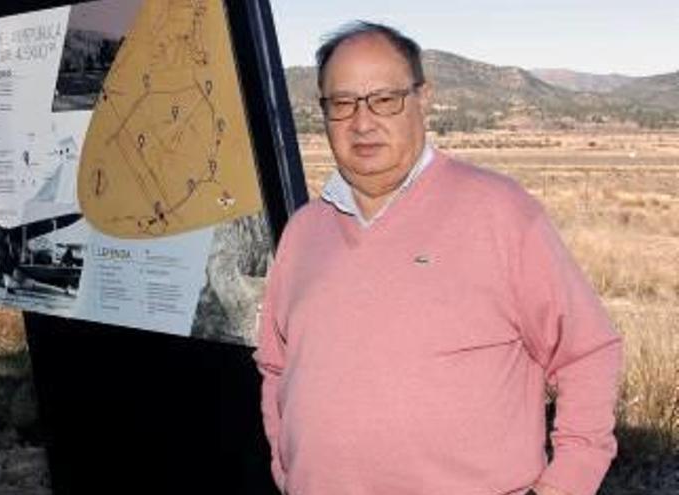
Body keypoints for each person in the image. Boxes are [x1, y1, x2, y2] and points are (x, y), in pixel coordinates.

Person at [253, 21, 622, 495]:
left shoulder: (499, 212)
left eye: (385, 99)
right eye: (341, 103)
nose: (362, 122)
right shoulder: (303, 232)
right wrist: (286, 468)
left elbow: (587, 352)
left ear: (423, 99)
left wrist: (565, 483)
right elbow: (276, 368)